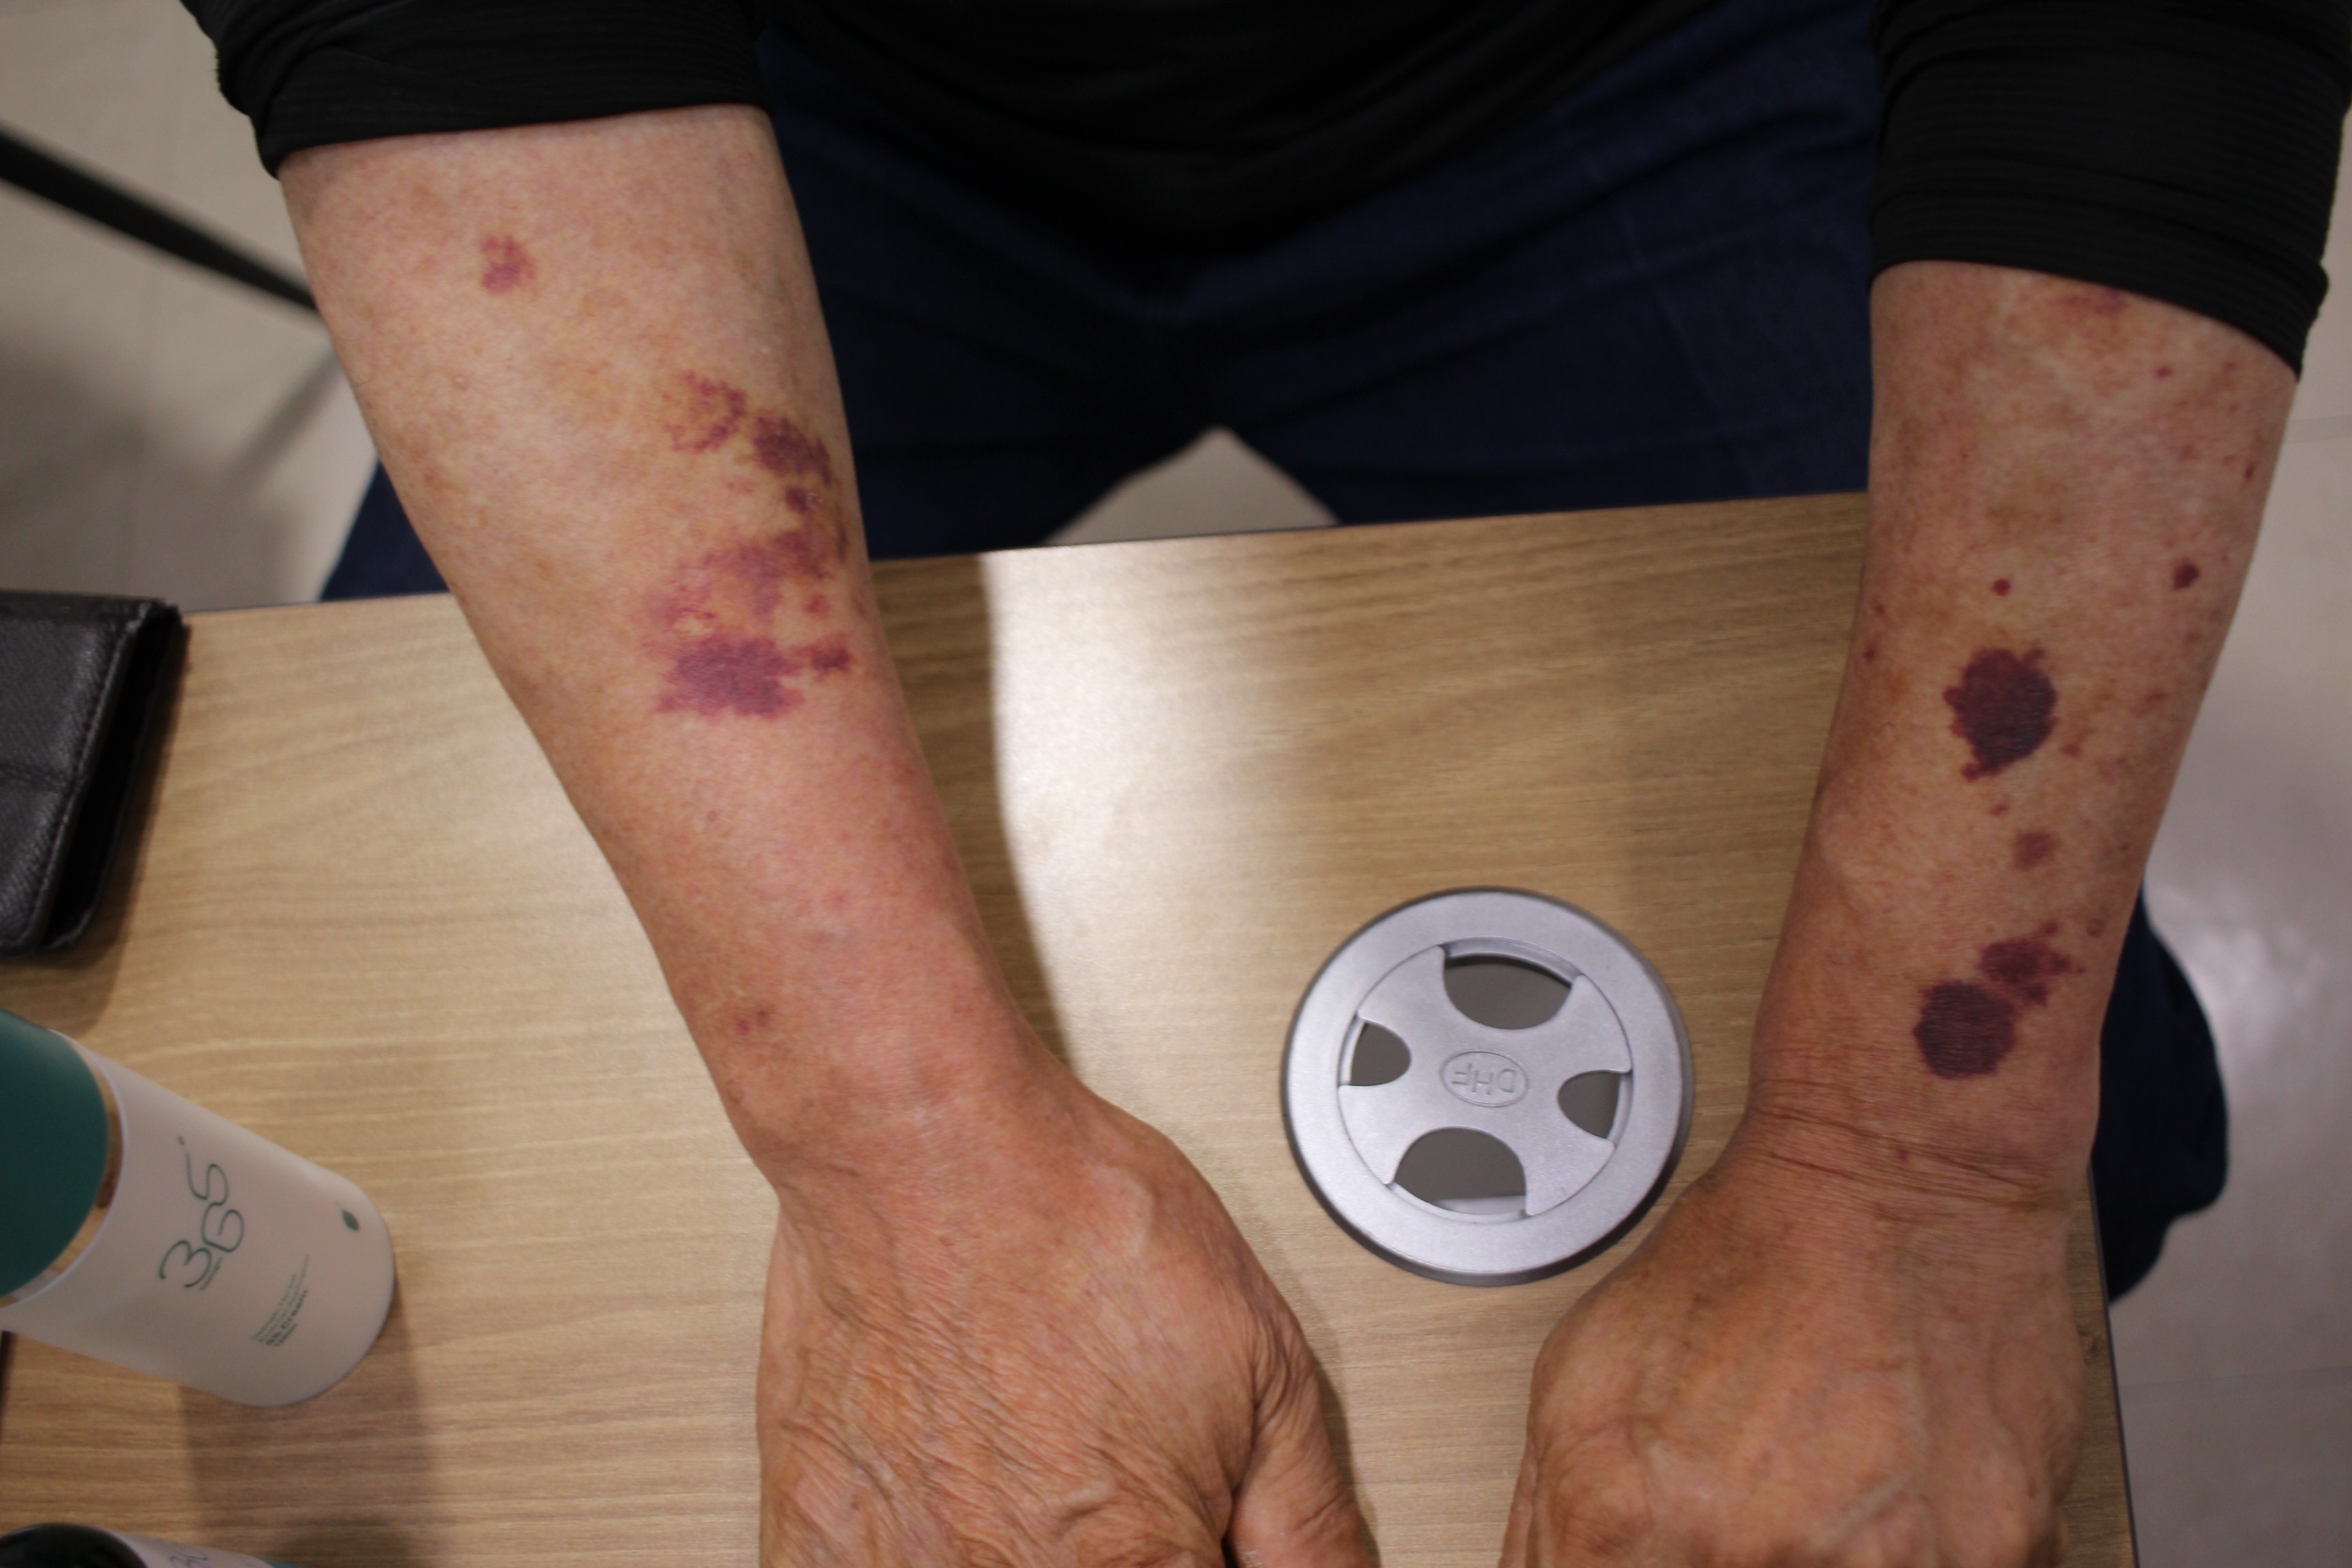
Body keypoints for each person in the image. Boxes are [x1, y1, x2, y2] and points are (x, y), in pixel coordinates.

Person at [181, 0, 2346, 1561]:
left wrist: (1913, 1174)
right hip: (752, 88)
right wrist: (898, 1156)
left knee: (2112, 1131)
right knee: (371, 1125)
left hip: (1599, 65)